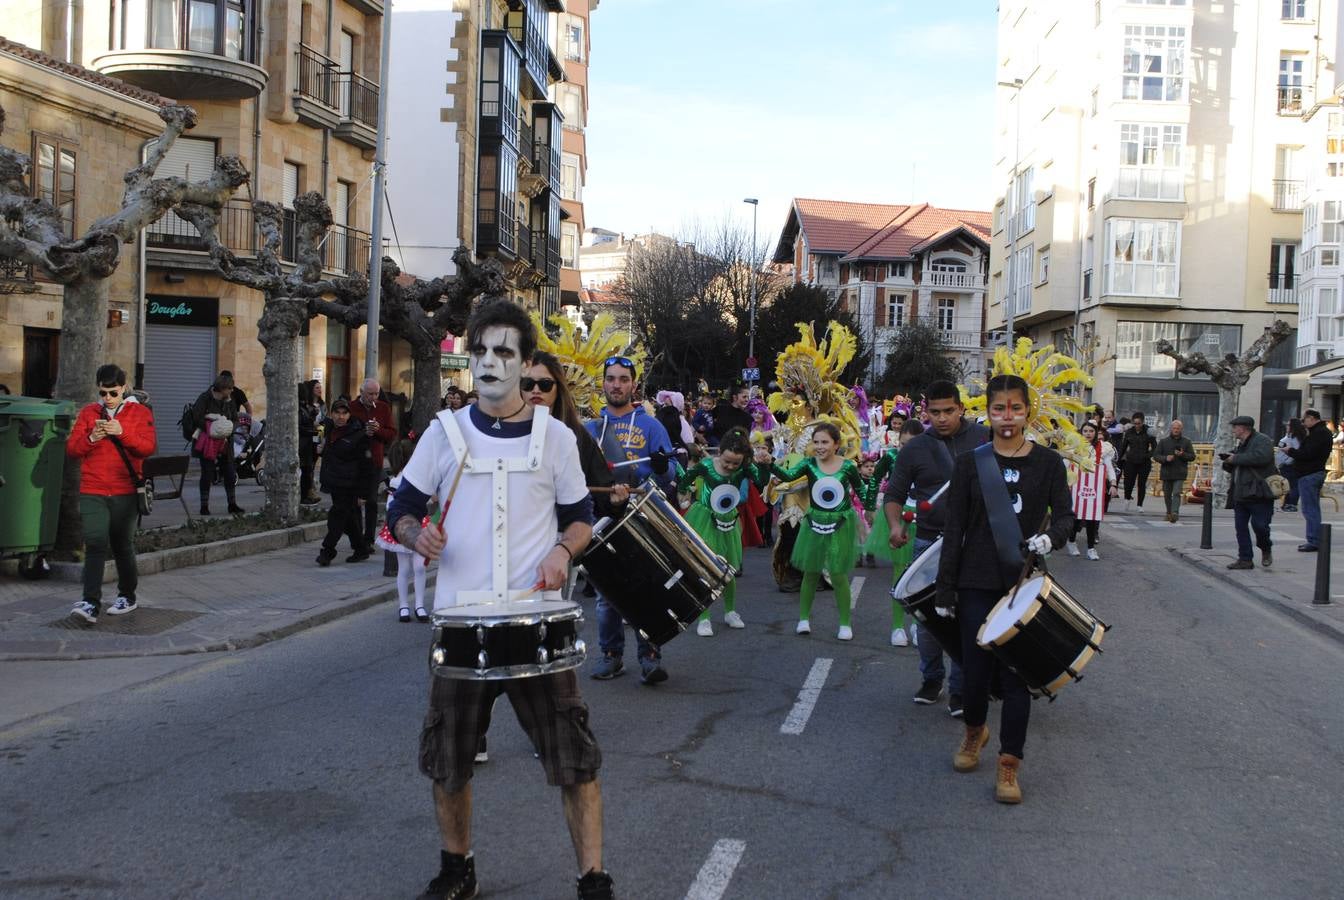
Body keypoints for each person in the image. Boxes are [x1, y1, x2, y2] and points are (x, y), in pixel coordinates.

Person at [385, 299, 613, 900]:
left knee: (574, 758)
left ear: (526, 362)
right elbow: (400, 510)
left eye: (503, 352)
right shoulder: (444, 434)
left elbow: (581, 518)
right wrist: (418, 534)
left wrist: (564, 552)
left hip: (538, 621)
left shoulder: (557, 438)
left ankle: (593, 877)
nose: (489, 362)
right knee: (449, 758)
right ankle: (457, 868)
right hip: (462, 623)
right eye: (480, 351)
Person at [935, 374, 1074, 804]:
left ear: (1027, 412)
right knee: (974, 677)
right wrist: (945, 589)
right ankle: (974, 731)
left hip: (1023, 584)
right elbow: (955, 525)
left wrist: (1051, 539)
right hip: (975, 580)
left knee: (1017, 678)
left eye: (1015, 408)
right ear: (988, 413)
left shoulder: (1049, 463)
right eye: (999, 409)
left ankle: (1009, 763)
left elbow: (1066, 518)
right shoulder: (970, 462)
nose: (1007, 417)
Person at [881, 380, 988, 714]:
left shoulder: (984, 440)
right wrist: (897, 524)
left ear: (961, 409)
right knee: (928, 620)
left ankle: (960, 689)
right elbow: (895, 493)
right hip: (928, 543)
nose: (941, 418)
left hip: (973, 545)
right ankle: (931, 678)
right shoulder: (915, 448)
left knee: (967, 619)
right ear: (925, 412)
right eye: (935, 412)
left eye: (948, 411)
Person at [586, 356, 675, 685]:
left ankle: (650, 656)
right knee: (606, 596)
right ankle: (611, 655)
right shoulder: (591, 429)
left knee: (646, 591)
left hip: (642, 517)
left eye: (623, 379)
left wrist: (664, 466)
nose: (617, 385)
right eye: (611, 379)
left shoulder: (651, 426)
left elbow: (670, 476)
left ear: (634, 384)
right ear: (604, 383)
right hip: (604, 520)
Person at [66, 364, 157, 623]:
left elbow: (147, 447)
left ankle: (127, 596)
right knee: (94, 543)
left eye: (113, 393)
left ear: (123, 388)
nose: (107, 398)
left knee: (122, 545)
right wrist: (91, 439)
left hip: (125, 490)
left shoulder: (139, 413)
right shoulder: (88, 413)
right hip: (92, 489)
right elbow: (72, 449)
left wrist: (123, 433)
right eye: (103, 393)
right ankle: (90, 603)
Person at [769, 422, 863, 640]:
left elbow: (862, 491)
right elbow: (789, 475)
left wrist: (874, 492)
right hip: (814, 523)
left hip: (840, 523)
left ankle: (844, 623)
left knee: (838, 574)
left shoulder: (848, 467)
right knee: (811, 572)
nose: (819, 446)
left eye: (825, 442)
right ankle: (803, 619)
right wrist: (770, 464)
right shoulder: (810, 464)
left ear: (836, 444)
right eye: (816, 442)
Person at [678, 427, 766, 636]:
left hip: (728, 520)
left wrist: (761, 464)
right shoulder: (707, 465)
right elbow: (685, 479)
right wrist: (684, 496)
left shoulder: (744, 469)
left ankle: (730, 611)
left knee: (728, 569)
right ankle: (704, 618)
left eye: (736, 463)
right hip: (704, 518)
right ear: (720, 452)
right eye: (727, 461)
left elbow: (761, 481)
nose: (730, 466)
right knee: (707, 569)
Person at [865, 418, 926, 645]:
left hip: (925, 520)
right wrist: (870, 506)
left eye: (913, 444)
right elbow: (874, 480)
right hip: (898, 517)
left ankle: (918, 625)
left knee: (922, 577)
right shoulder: (891, 457)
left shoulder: (932, 458)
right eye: (903, 444)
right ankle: (897, 627)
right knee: (900, 574)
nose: (907, 449)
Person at [374, 438, 429, 621]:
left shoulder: (418, 475)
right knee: (404, 567)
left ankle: (420, 605)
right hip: (400, 525)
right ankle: (403, 605)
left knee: (420, 566)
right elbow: (392, 504)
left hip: (420, 523)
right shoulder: (398, 480)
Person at [316, 398, 373, 565]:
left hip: (350, 484)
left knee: (337, 516)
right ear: (331, 414)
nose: (341, 417)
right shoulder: (330, 430)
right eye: (337, 413)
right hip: (335, 482)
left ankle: (327, 551)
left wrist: (364, 493)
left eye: (344, 413)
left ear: (349, 415)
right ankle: (361, 548)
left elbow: (366, 465)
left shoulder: (359, 434)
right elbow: (333, 454)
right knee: (348, 519)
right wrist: (322, 451)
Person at [1222, 414, 1276, 570]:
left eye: (1235, 427)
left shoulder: (1262, 440)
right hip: (1241, 493)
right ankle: (1245, 559)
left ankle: (1266, 548)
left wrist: (1236, 459)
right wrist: (1227, 461)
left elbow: (1261, 458)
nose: (1233, 430)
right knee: (1241, 527)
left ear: (1243, 428)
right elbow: (1236, 461)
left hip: (1259, 492)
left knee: (1260, 526)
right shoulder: (1241, 444)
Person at [347, 378, 396, 548]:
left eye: (376, 394)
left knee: (372, 501)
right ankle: (358, 538)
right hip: (355, 461)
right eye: (370, 394)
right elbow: (346, 432)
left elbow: (391, 433)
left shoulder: (383, 408)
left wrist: (378, 431)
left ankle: (369, 538)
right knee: (354, 501)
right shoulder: (351, 407)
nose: (373, 397)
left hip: (375, 460)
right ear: (362, 392)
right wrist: (362, 431)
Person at [190, 376, 243, 516]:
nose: (231, 391)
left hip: (225, 442)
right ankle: (204, 506)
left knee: (230, 473)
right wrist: (213, 427)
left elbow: (235, 419)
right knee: (207, 473)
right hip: (208, 441)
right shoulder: (205, 398)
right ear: (222, 388)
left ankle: (232, 504)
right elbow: (197, 417)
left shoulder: (230, 402)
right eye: (229, 389)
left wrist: (229, 427)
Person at [1067, 421, 1118, 558]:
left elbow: (1109, 467)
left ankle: (1091, 549)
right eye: (1085, 431)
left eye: (1091, 431)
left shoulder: (1104, 447)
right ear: (1081, 432)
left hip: (1096, 487)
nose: (1088, 433)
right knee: (1076, 517)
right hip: (1077, 486)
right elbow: (1065, 463)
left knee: (1092, 518)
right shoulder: (1074, 446)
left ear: (1095, 433)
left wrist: (1113, 484)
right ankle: (1071, 542)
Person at [1286, 409, 1333, 553]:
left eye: (1304, 419)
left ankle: (1314, 540)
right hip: (1311, 473)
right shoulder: (1318, 432)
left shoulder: (1319, 433)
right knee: (1311, 508)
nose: (1303, 422)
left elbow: (1308, 454)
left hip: (1310, 474)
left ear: (1312, 419)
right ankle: (1314, 539)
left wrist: (1291, 452)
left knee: (1310, 509)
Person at [1152, 419, 1195, 523]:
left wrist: (1183, 455)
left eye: (1178, 428)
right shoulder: (1164, 441)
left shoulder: (1186, 442)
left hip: (1180, 472)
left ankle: (1175, 513)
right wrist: (1165, 458)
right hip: (1166, 472)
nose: (1176, 430)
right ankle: (1169, 513)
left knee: (1176, 492)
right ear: (1171, 429)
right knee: (1167, 494)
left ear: (1181, 429)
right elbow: (1156, 456)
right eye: (1174, 428)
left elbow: (1192, 456)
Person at [1118, 411, 1156, 512]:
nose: (1137, 425)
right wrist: (1118, 459)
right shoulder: (1129, 432)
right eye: (1135, 423)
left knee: (1142, 484)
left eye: (1139, 423)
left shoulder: (1149, 432)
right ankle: (1127, 499)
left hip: (1144, 461)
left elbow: (1154, 447)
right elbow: (1123, 447)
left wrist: (1148, 455)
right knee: (1128, 482)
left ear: (1143, 422)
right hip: (1130, 460)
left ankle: (1140, 505)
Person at [298, 379, 323, 505]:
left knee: (308, 470)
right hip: (303, 443)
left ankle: (307, 493)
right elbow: (300, 427)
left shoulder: (304, 408)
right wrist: (313, 431)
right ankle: (304, 495)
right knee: (306, 470)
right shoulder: (299, 408)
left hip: (308, 443)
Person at [1276, 418, 1306, 513]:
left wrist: (1288, 461)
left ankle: (1291, 504)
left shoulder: (1295, 439)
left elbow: (1296, 451)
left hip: (1289, 465)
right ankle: (1286, 503)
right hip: (1284, 464)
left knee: (1292, 485)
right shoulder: (1288, 437)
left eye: (1289, 425)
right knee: (1288, 485)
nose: (1287, 427)